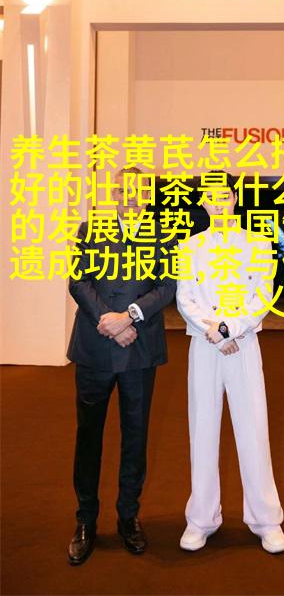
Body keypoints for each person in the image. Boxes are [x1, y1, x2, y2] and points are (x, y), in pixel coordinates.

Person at [66, 166, 176, 565]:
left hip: (139, 349)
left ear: (148, 196)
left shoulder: (164, 235)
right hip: (95, 348)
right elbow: (78, 282)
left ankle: (128, 517)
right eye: (124, 190)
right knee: (88, 435)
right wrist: (108, 321)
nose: (131, 197)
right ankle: (85, 520)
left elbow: (168, 286)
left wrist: (129, 317)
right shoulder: (90, 229)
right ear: (114, 193)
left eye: (139, 191)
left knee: (135, 436)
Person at [176, 172, 284, 554]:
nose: (219, 203)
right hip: (203, 344)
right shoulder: (189, 246)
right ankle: (201, 519)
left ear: (235, 198)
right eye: (211, 197)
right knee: (202, 431)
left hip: (243, 343)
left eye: (224, 196)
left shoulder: (258, 243)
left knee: (253, 429)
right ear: (203, 203)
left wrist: (229, 329)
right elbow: (185, 298)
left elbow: (263, 295)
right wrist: (213, 330)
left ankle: (266, 520)